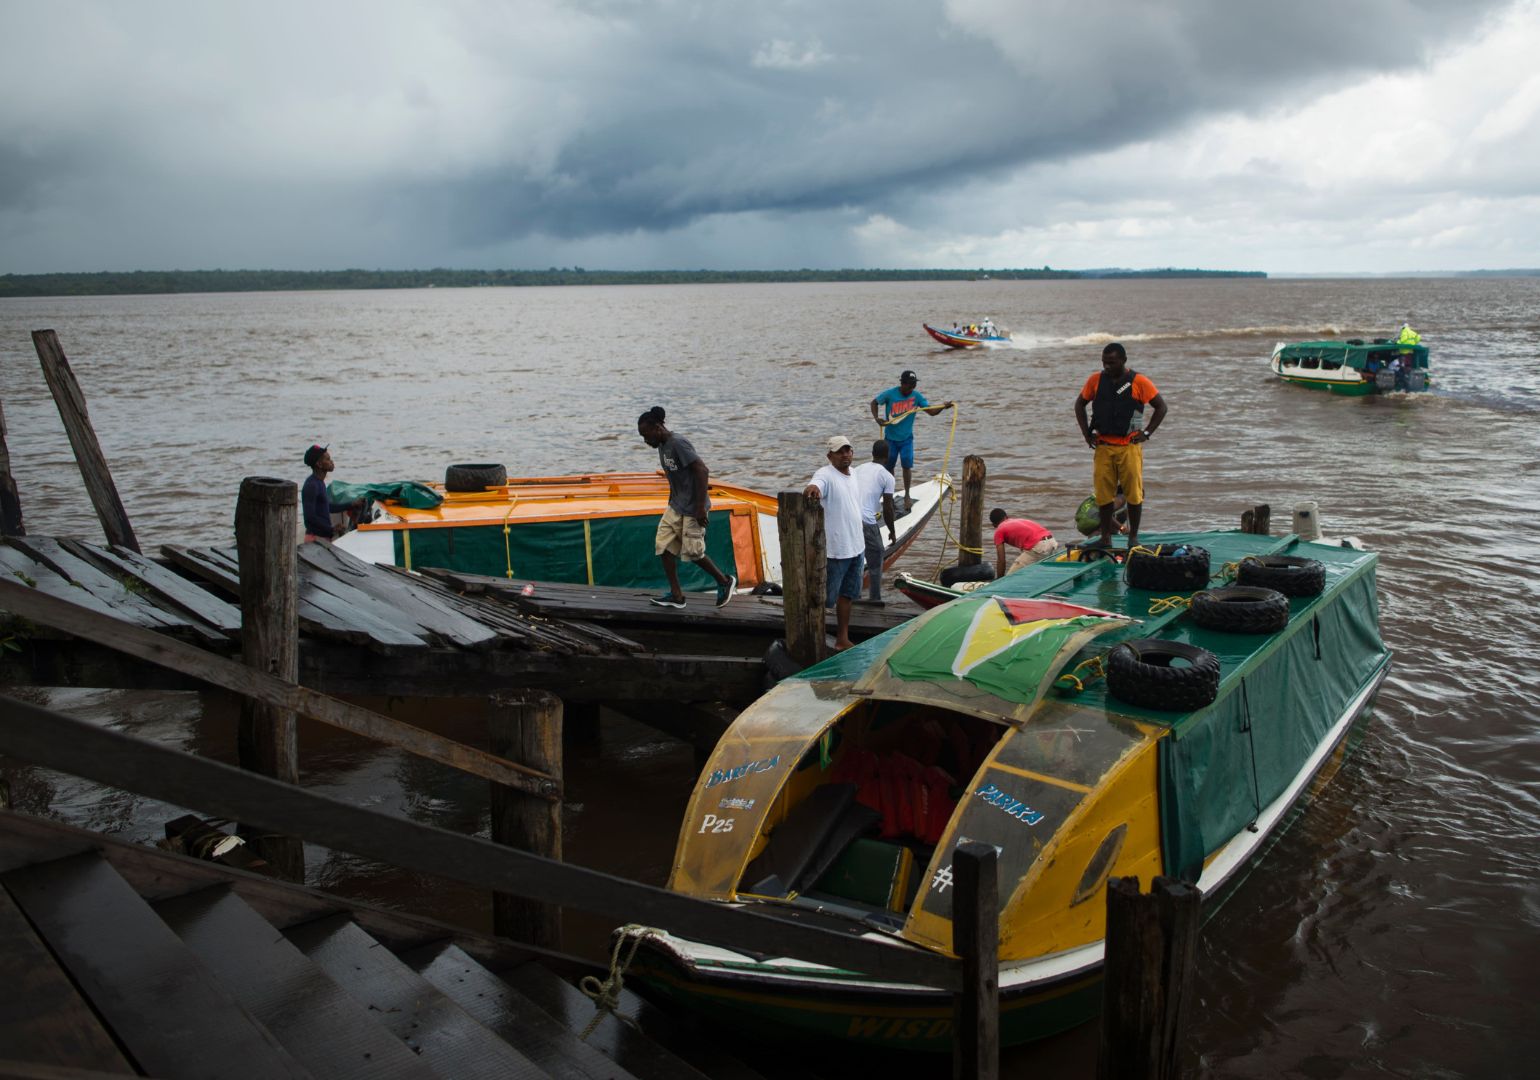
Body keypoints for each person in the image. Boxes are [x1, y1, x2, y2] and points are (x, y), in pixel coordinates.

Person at [637, 406, 736, 609]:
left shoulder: (677, 443)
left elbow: (702, 470)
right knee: (663, 546)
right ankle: (677, 595)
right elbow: (677, 477)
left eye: (646, 435)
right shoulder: (662, 446)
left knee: (693, 553)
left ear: (657, 427)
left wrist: (700, 507)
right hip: (676, 505)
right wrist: (671, 498)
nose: (645, 440)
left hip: (693, 507)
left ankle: (725, 581)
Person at [1073, 342, 1167, 550]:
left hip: (1129, 447)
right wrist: (1086, 433)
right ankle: (1106, 538)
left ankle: (1133, 537)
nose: (1107, 367)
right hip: (1103, 446)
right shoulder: (1095, 380)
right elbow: (1080, 404)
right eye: (1104, 362)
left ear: (1123, 361)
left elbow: (1161, 407)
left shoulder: (1139, 381)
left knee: (1133, 493)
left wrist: (1147, 433)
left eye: (1111, 363)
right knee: (1104, 494)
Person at [804, 435, 865, 650]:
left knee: (848, 594)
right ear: (830, 456)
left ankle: (842, 638)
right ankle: (814, 636)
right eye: (840, 451)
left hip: (857, 547)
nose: (846, 454)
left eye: (848, 450)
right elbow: (816, 483)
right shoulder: (825, 474)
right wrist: (813, 488)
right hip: (836, 551)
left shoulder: (855, 474)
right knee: (824, 599)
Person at [869, 370, 954, 507]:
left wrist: (943, 407)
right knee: (888, 467)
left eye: (914, 385)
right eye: (909, 385)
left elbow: (931, 412)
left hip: (906, 439)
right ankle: (889, 496)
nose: (912, 388)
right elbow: (874, 403)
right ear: (902, 383)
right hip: (890, 439)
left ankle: (907, 495)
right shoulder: (890, 394)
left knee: (906, 465)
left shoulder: (917, 397)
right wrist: (877, 418)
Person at [854, 439, 897, 602]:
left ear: (872, 454)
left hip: (850, 519)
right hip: (866, 521)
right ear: (888, 456)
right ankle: (875, 598)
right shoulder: (887, 476)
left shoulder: (857, 469)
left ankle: (854, 596)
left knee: (857, 558)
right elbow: (887, 508)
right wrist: (892, 532)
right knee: (877, 557)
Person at [989, 508, 1060, 576]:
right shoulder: (1019, 520)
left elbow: (1001, 560)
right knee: (1036, 572)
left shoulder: (999, 530)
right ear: (1006, 517)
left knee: (1010, 578)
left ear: (994, 525)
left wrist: (998, 581)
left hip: (1039, 546)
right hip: (1052, 542)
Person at [302, 444, 338, 542]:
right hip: (315, 540)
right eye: (328, 459)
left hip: (323, 539)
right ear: (319, 464)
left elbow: (327, 507)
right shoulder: (311, 485)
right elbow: (309, 519)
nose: (331, 462)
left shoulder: (319, 482)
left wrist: (351, 504)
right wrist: (331, 529)